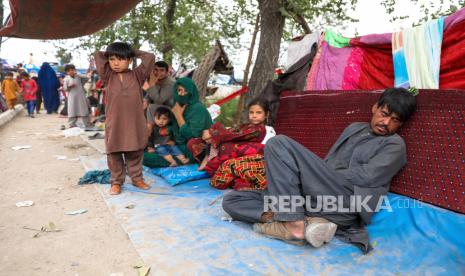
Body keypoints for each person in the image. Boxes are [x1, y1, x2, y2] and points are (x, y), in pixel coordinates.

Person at [222, 88, 417, 251]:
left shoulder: (394, 145)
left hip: (345, 202)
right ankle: (299, 220)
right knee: (233, 199)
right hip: (315, 198)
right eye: (384, 114)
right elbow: (329, 162)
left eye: (395, 120)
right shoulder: (354, 128)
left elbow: (366, 177)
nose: (386, 123)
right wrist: (304, 180)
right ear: (375, 108)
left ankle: (293, 225)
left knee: (278, 143)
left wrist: (307, 175)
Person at [95, 42, 155, 195]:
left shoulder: (137, 75)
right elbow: (98, 55)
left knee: (135, 151)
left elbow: (149, 57)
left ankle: (136, 178)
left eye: (121, 59)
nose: (115, 63)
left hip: (133, 122)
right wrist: (114, 51)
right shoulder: (107, 75)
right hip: (114, 122)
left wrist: (131, 51)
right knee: (114, 152)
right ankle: (116, 181)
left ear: (130, 60)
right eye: (112, 59)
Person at [143, 77, 213, 168]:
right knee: (143, 150)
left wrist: (178, 116)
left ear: (192, 92)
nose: (182, 94)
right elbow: (177, 135)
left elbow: (191, 136)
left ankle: (183, 161)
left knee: (145, 158)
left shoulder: (198, 108)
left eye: (186, 91)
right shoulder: (179, 106)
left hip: (193, 150)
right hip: (176, 146)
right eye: (179, 90)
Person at [144, 60, 175, 135]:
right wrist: (146, 100)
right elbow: (150, 95)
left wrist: (149, 87)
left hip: (172, 109)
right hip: (160, 108)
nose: (158, 73)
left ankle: (148, 135)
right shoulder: (156, 80)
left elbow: (159, 100)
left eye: (162, 70)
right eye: (156, 70)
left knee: (151, 107)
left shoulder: (170, 83)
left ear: (167, 72)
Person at [63, 64, 91, 128]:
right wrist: (69, 86)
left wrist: (78, 74)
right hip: (72, 97)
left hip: (81, 96)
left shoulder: (79, 77)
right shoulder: (66, 79)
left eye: (72, 70)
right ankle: (72, 124)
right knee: (72, 110)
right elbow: (65, 89)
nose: (71, 72)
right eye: (69, 71)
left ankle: (87, 124)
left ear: (75, 70)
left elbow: (87, 78)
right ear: (67, 72)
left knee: (83, 110)